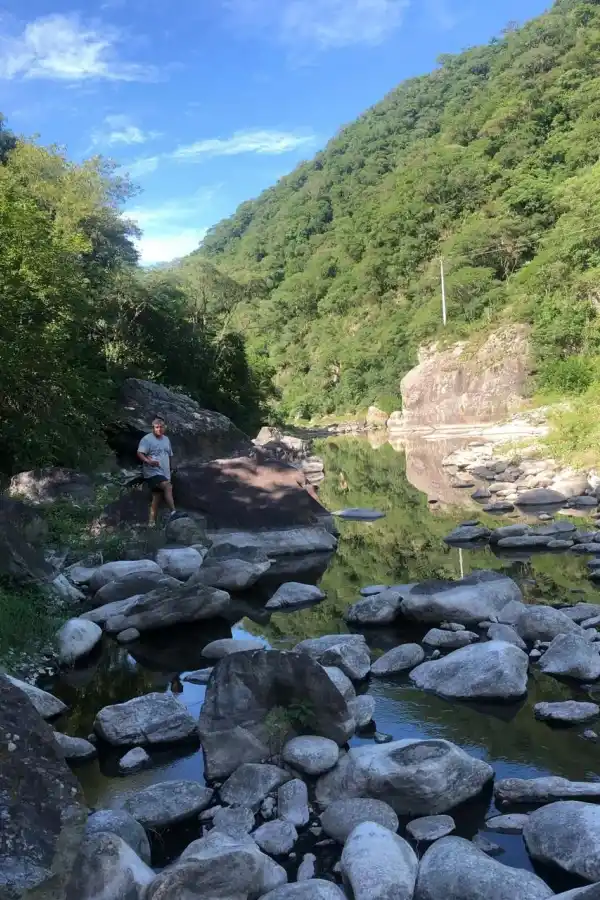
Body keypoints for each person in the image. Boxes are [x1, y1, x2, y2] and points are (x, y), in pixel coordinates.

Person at [137, 418, 183, 526]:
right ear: (153, 428)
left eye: (161, 427)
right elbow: (139, 453)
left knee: (157, 497)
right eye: (157, 427)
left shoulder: (166, 439)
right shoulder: (147, 439)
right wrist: (149, 461)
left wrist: (172, 467)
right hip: (152, 472)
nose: (159, 429)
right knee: (168, 486)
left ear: (164, 427)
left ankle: (151, 523)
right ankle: (173, 512)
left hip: (164, 472)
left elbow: (169, 455)